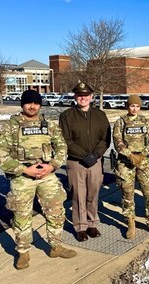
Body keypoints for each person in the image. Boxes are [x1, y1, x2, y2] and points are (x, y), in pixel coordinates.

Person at [0, 89, 77, 270]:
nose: (32, 106)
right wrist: (24, 169)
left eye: (36, 103)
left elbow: (61, 145)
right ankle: (23, 252)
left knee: (56, 211)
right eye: (29, 102)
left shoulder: (49, 125)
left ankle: (56, 246)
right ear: (22, 104)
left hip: (47, 175)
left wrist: (53, 165)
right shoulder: (10, 127)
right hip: (22, 178)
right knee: (22, 216)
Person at [59, 82, 111, 242]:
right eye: (80, 95)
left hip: (95, 161)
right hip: (76, 162)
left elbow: (105, 138)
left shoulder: (100, 115)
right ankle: (80, 226)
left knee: (93, 193)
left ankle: (92, 223)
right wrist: (83, 155)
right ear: (75, 97)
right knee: (78, 195)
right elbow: (65, 139)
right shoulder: (67, 116)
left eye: (86, 95)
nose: (83, 98)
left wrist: (95, 155)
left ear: (91, 97)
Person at [113, 95, 149, 239]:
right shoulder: (121, 122)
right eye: (132, 106)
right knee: (127, 194)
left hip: (143, 162)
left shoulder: (145, 122)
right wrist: (130, 155)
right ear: (127, 106)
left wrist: (143, 154)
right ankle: (130, 223)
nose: (134, 108)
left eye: (137, 106)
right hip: (126, 162)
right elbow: (118, 141)